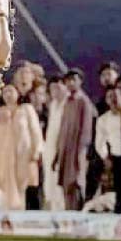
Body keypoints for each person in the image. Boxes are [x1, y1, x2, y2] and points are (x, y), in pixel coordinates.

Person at [0, 84, 44, 210]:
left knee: (24, 185)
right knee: (6, 186)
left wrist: (37, 151)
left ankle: (25, 218)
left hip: (25, 156)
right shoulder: (0, 111)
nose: (8, 94)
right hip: (6, 157)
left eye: (11, 91)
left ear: (18, 93)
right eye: (5, 92)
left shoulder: (27, 109)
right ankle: (9, 218)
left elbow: (35, 131)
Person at [53, 68, 96, 211]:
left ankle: (77, 216)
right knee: (65, 185)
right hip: (65, 151)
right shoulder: (67, 102)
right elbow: (62, 130)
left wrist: (80, 153)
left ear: (80, 82)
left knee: (76, 183)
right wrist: (57, 154)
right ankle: (68, 215)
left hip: (77, 151)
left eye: (74, 80)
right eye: (68, 81)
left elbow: (86, 131)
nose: (71, 83)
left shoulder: (84, 102)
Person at [86, 61, 121, 200]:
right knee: (92, 182)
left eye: (109, 74)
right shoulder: (99, 103)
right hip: (99, 150)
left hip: (118, 150)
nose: (106, 77)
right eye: (103, 75)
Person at [95, 86, 121, 213]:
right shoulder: (103, 119)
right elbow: (99, 142)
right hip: (116, 156)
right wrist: (105, 157)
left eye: (115, 96)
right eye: (110, 97)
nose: (113, 99)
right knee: (119, 191)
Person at [43, 76, 67, 210]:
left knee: (60, 184)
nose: (55, 91)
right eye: (52, 89)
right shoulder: (52, 106)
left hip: (63, 150)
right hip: (49, 150)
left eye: (58, 87)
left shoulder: (69, 104)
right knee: (50, 184)